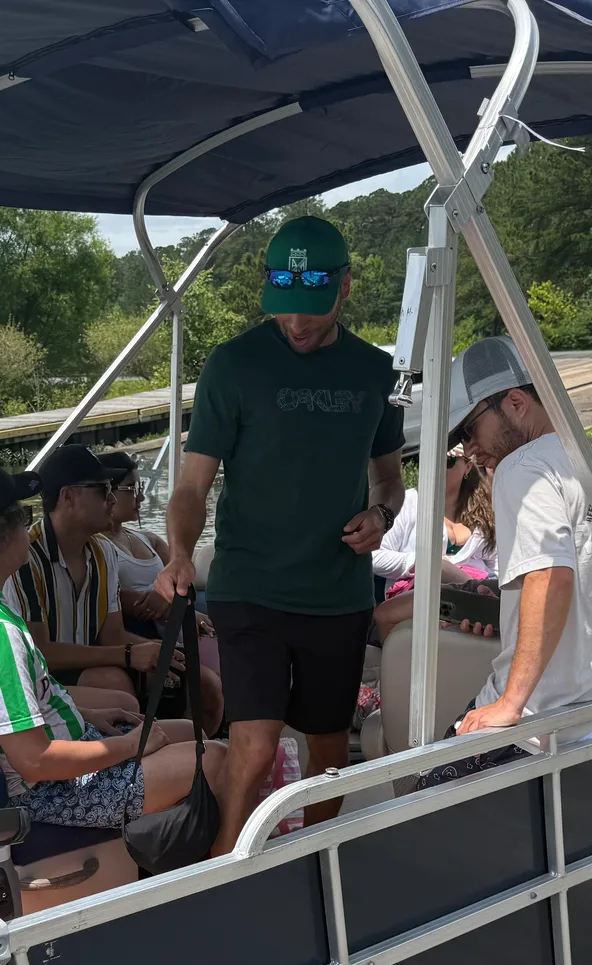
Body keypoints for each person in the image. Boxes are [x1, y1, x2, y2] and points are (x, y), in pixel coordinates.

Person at [156, 215, 405, 852]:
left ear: (345, 287)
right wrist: (180, 553)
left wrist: (379, 518)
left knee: (327, 746)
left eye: (312, 312)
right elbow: (191, 487)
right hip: (251, 584)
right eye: (285, 309)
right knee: (256, 741)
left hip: (337, 593)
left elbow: (388, 481)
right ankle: (223, 871)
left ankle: (310, 864)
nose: (296, 324)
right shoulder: (233, 365)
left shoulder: (373, 372)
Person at [0, 452, 225, 831]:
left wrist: (85, 715)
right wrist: (129, 746)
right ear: (1, 536)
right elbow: (34, 762)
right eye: (23, 518)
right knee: (216, 757)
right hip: (51, 790)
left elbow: (8, 706)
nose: (30, 527)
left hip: (47, 754)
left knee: (190, 732)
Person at [447, 335, 592, 749]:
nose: (469, 450)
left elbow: (549, 576)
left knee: (422, 791)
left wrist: (510, 704)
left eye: (470, 429)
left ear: (514, 401)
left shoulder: (524, 467)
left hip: (543, 720)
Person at [7, 445, 224, 734]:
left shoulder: (103, 553)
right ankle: (137, 768)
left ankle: (188, 765)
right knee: (114, 682)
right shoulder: (26, 557)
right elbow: (41, 652)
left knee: (204, 684)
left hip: (90, 663)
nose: (111, 499)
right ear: (67, 496)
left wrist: (158, 650)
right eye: (102, 490)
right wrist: (127, 654)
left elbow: (112, 634)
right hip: (40, 677)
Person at [370, 445, 498, 643]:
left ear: (467, 467)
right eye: (428, 458)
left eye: (447, 461)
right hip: (418, 600)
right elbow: (373, 555)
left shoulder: (486, 512)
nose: (436, 466)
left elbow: (498, 568)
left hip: (474, 606)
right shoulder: (409, 503)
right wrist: (423, 563)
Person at [97, 451, 174, 628]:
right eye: (132, 488)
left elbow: (182, 574)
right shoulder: (95, 547)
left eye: (140, 488)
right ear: (106, 492)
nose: (141, 497)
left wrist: (169, 598)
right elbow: (125, 601)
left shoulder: (149, 539)